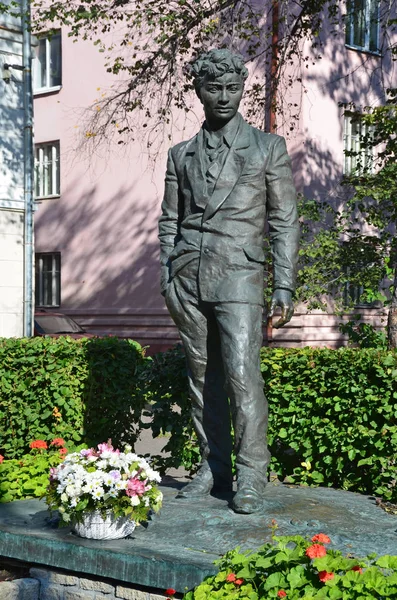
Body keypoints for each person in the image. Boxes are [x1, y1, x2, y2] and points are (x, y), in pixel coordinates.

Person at [158, 48, 299, 514]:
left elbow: (284, 220)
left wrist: (284, 285)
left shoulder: (267, 147)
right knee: (202, 380)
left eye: (232, 88)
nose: (223, 97)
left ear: (242, 89)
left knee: (241, 376)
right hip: (189, 278)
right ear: (198, 91)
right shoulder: (181, 155)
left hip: (239, 274)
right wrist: (167, 274)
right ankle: (212, 467)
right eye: (213, 88)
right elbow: (169, 221)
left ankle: (251, 475)